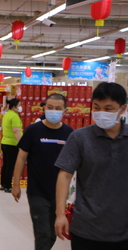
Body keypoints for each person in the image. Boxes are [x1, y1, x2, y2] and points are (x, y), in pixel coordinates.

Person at [54, 82, 128, 249]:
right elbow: (64, 175)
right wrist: (60, 214)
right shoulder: (80, 138)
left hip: (123, 230)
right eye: (97, 107)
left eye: (108, 109)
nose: (101, 113)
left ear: (122, 109)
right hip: (86, 229)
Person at [12, 94, 73, 250]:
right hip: (37, 191)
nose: (54, 111)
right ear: (44, 108)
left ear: (65, 111)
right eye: (50, 107)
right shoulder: (33, 130)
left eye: (58, 108)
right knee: (43, 234)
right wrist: (16, 184)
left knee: (53, 232)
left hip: (59, 193)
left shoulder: (70, 134)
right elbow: (21, 158)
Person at [0, 98, 23, 193]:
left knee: (5, 165)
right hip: (12, 144)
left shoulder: (6, 114)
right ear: (14, 107)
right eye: (19, 105)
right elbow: (16, 130)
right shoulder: (14, 116)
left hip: (4, 142)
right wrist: (21, 143)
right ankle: (8, 186)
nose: (20, 107)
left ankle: (3, 184)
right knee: (11, 166)